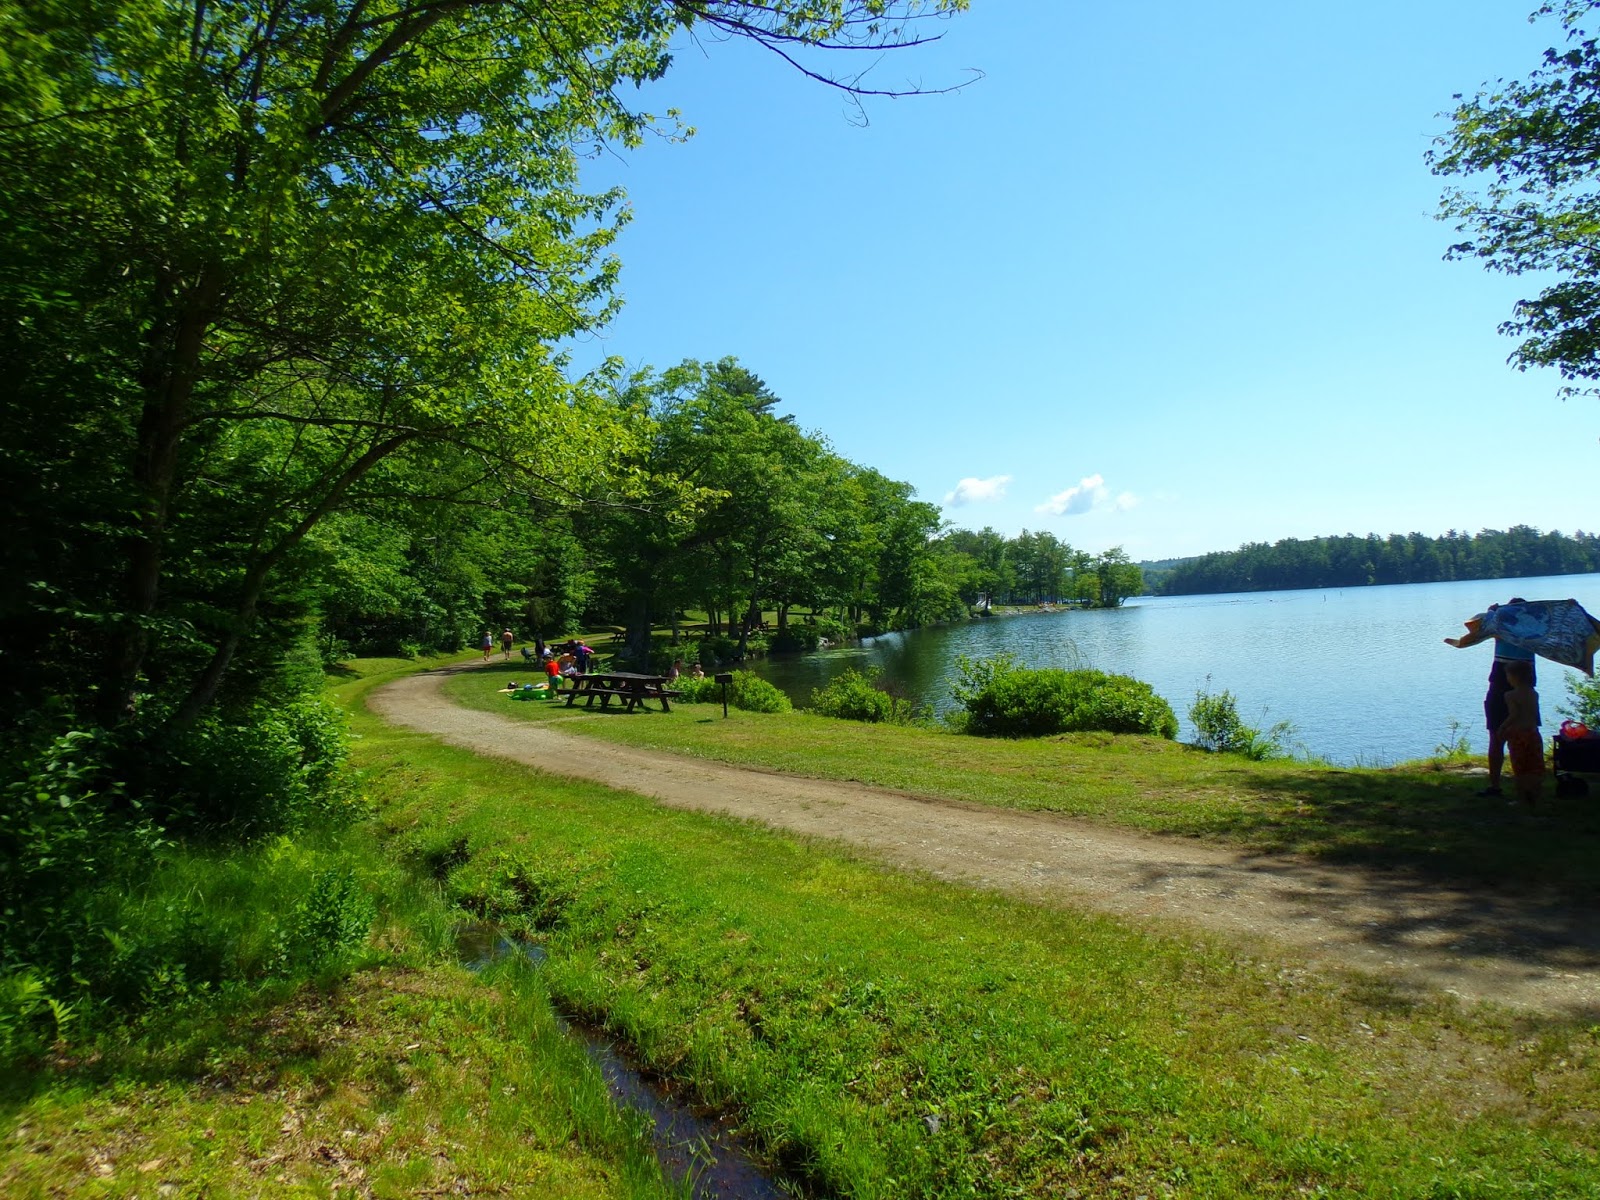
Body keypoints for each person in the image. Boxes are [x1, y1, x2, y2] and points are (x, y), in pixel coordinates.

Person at [1445, 597, 1537, 797]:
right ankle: (1524, 787)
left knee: (1501, 738)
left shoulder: (1503, 628)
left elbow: (1476, 627)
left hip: (1505, 688)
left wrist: (1492, 614)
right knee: (1519, 736)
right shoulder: (1532, 630)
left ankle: (1505, 787)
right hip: (1518, 689)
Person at [1497, 660, 1543, 806]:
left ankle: (1522, 798)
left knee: (1520, 767)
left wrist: (1503, 727)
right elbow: (1536, 714)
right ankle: (1535, 796)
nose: (1507, 679)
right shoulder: (1534, 694)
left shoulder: (1510, 695)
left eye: (1508, 676)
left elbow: (1514, 714)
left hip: (1518, 735)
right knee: (1534, 766)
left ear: (1515, 677)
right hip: (1533, 733)